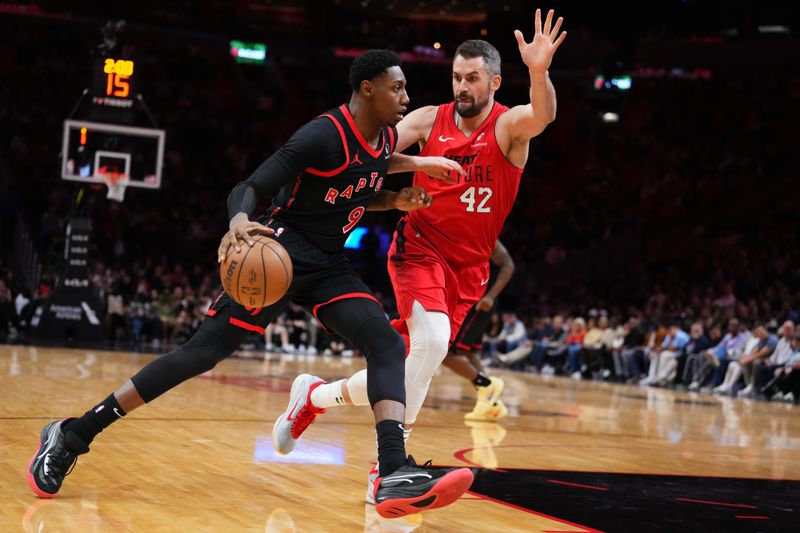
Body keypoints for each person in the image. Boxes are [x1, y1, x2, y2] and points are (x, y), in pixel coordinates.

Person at [28, 49, 474, 519]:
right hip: (279, 255)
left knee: (387, 345)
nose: (406, 97)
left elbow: (365, 187)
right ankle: (73, 434)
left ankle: (392, 472)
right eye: (397, 88)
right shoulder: (323, 134)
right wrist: (239, 218)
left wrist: (402, 192)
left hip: (327, 265)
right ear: (367, 89)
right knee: (200, 354)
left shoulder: (384, 139)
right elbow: (250, 185)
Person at [272, 8, 566, 501]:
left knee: (413, 363)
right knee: (429, 344)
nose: (462, 87)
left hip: (469, 270)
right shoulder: (429, 120)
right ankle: (389, 470)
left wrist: (540, 71)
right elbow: (372, 154)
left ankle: (315, 397)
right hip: (420, 248)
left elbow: (544, 115)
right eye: (456, 77)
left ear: (494, 81)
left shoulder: (509, 126)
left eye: (472, 78)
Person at [444, 240, 514, 421]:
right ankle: (491, 404)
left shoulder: (487, 234)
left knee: (448, 352)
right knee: (468, 353)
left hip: (479, 300)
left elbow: (508, 265)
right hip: (466, 296)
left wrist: (491, 296)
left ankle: (487, 385)